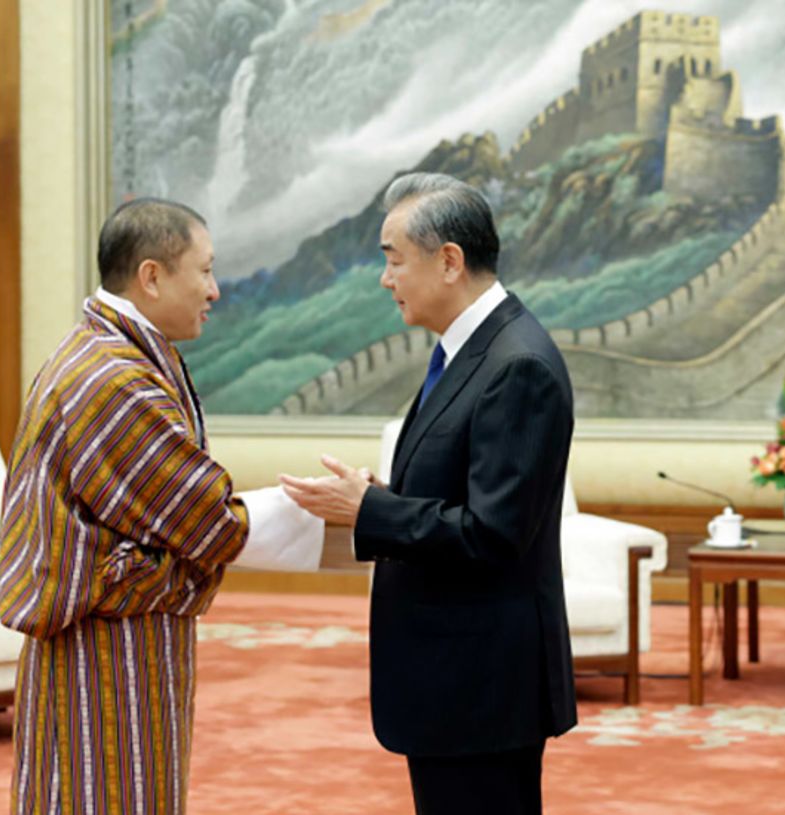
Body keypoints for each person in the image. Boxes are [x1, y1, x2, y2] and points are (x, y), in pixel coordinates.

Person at [0, 198, 319, 815]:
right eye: (204, 271)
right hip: (103, 651)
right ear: (151, 276)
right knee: (104, 798)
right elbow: (207, 521)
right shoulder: (108, 378)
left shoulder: (109, 353)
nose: (216, 290)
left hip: (120, 641)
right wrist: (341, 515)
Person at [280, 173, 577, 815]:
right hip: (455, 679)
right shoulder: (469, 351)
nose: (385, 279)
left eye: (393, 261)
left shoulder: (516, 364)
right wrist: (377, 497)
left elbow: (492, 533)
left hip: (484, 687)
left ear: (448, 261)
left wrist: (369, 510)